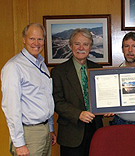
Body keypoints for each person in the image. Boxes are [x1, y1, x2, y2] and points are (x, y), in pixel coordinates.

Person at [1, 23, 56, 156]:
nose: (36, 43)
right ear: (24, 39)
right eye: (32, 38)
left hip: (44, 131)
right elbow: (11, 108)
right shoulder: (14, 67)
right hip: (28, 135)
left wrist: (50, 128)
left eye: (40, 39)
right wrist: (19, 144)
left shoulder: (41, 65)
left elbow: (46, 98)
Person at [51, 28, 103, 156]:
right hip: (71, 132)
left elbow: (102, 97)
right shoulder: (58, 72)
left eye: (85, 44)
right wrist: (78, 114)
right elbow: (57, 102)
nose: (81, 48)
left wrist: (108, 108)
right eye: (77, 43)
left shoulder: (98, 69)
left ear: (90, 47)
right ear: (70, 46)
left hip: (95, 129)